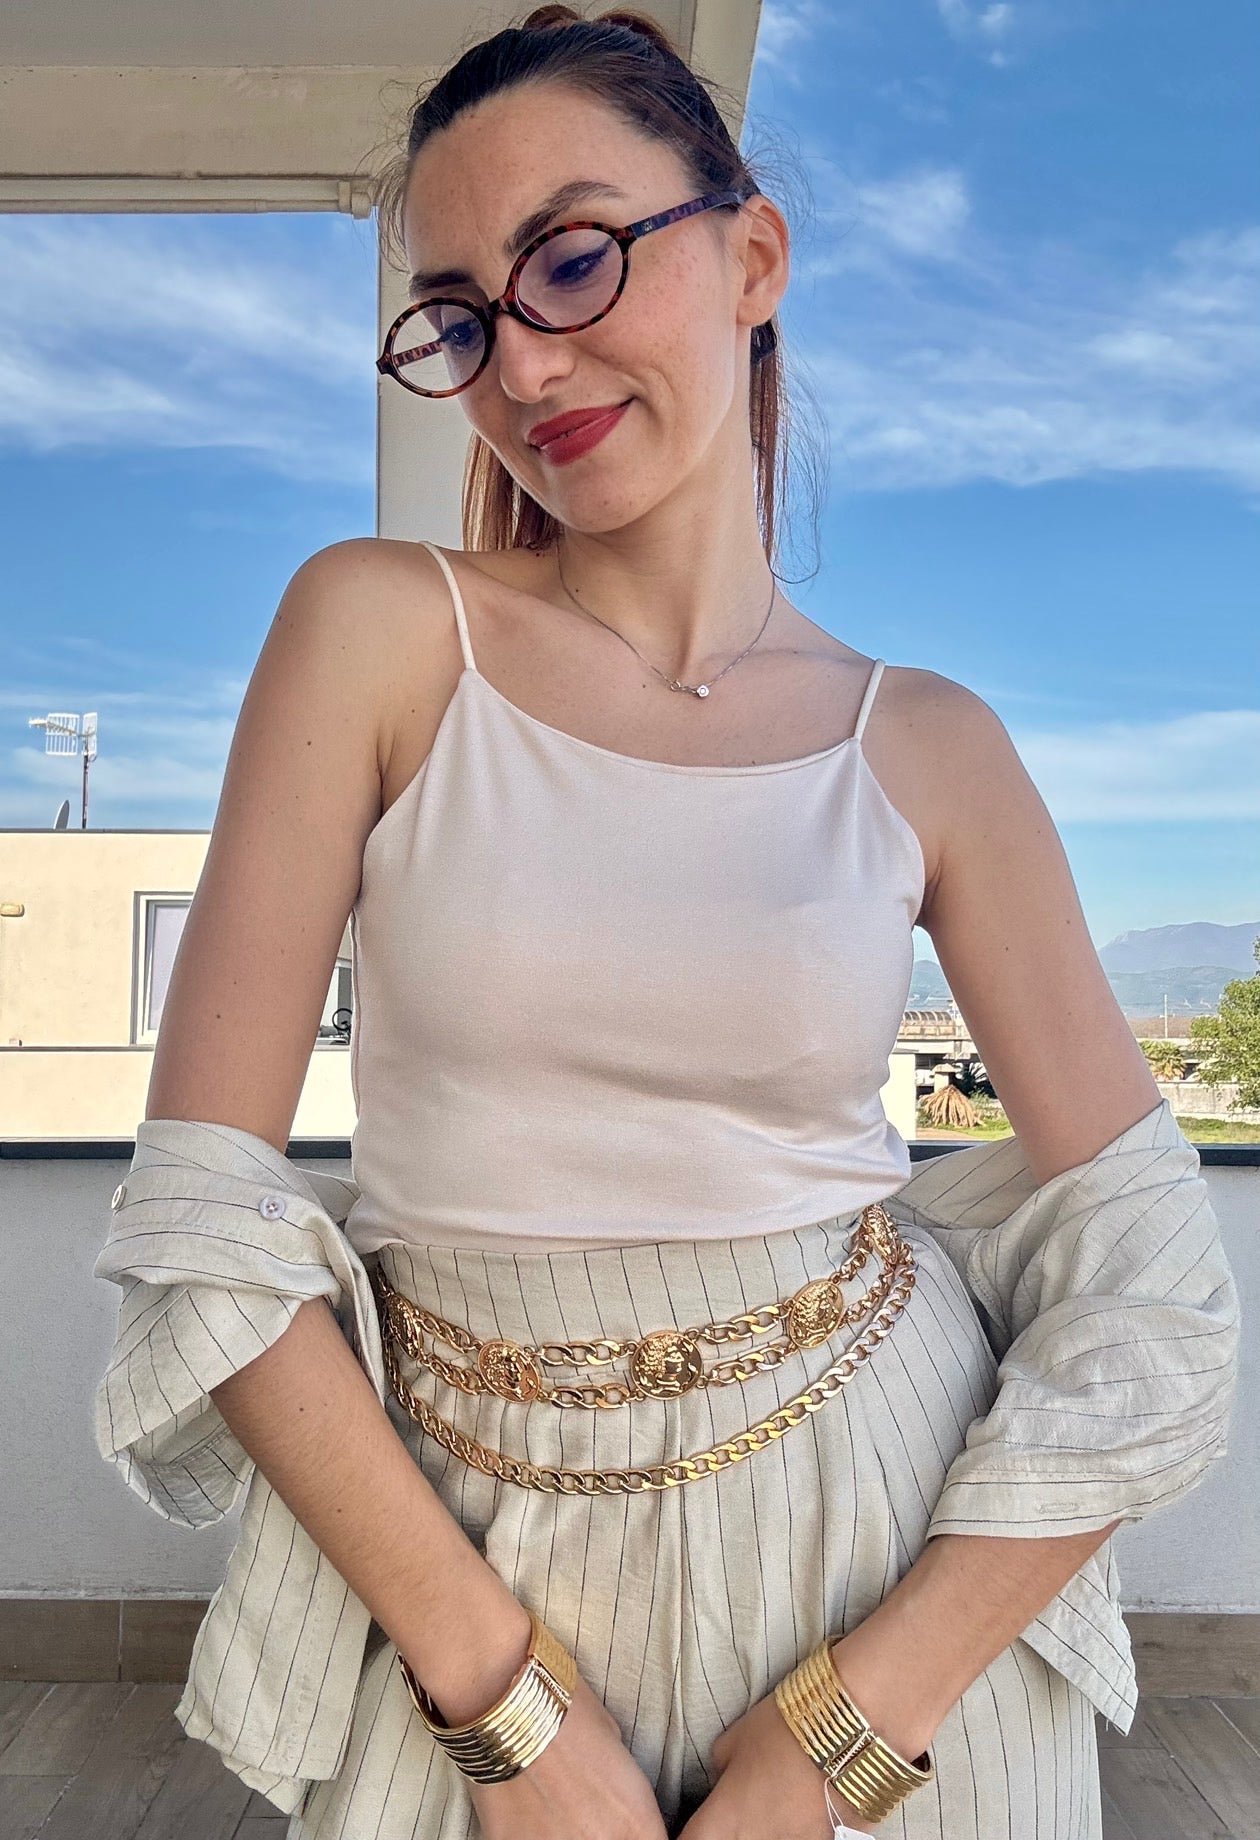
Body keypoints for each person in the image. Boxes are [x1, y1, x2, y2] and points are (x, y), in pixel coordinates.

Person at [116, 8, 1239, 1838]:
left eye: (574, 257)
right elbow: (199, 1226)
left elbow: (1156, 1277)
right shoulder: (380, 633)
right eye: (462, 314)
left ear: (754, 257)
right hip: (464, 1577)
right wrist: (501, 1706)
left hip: (889, 1585)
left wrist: (848, 1734)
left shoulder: (927, 744)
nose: (521, 359)